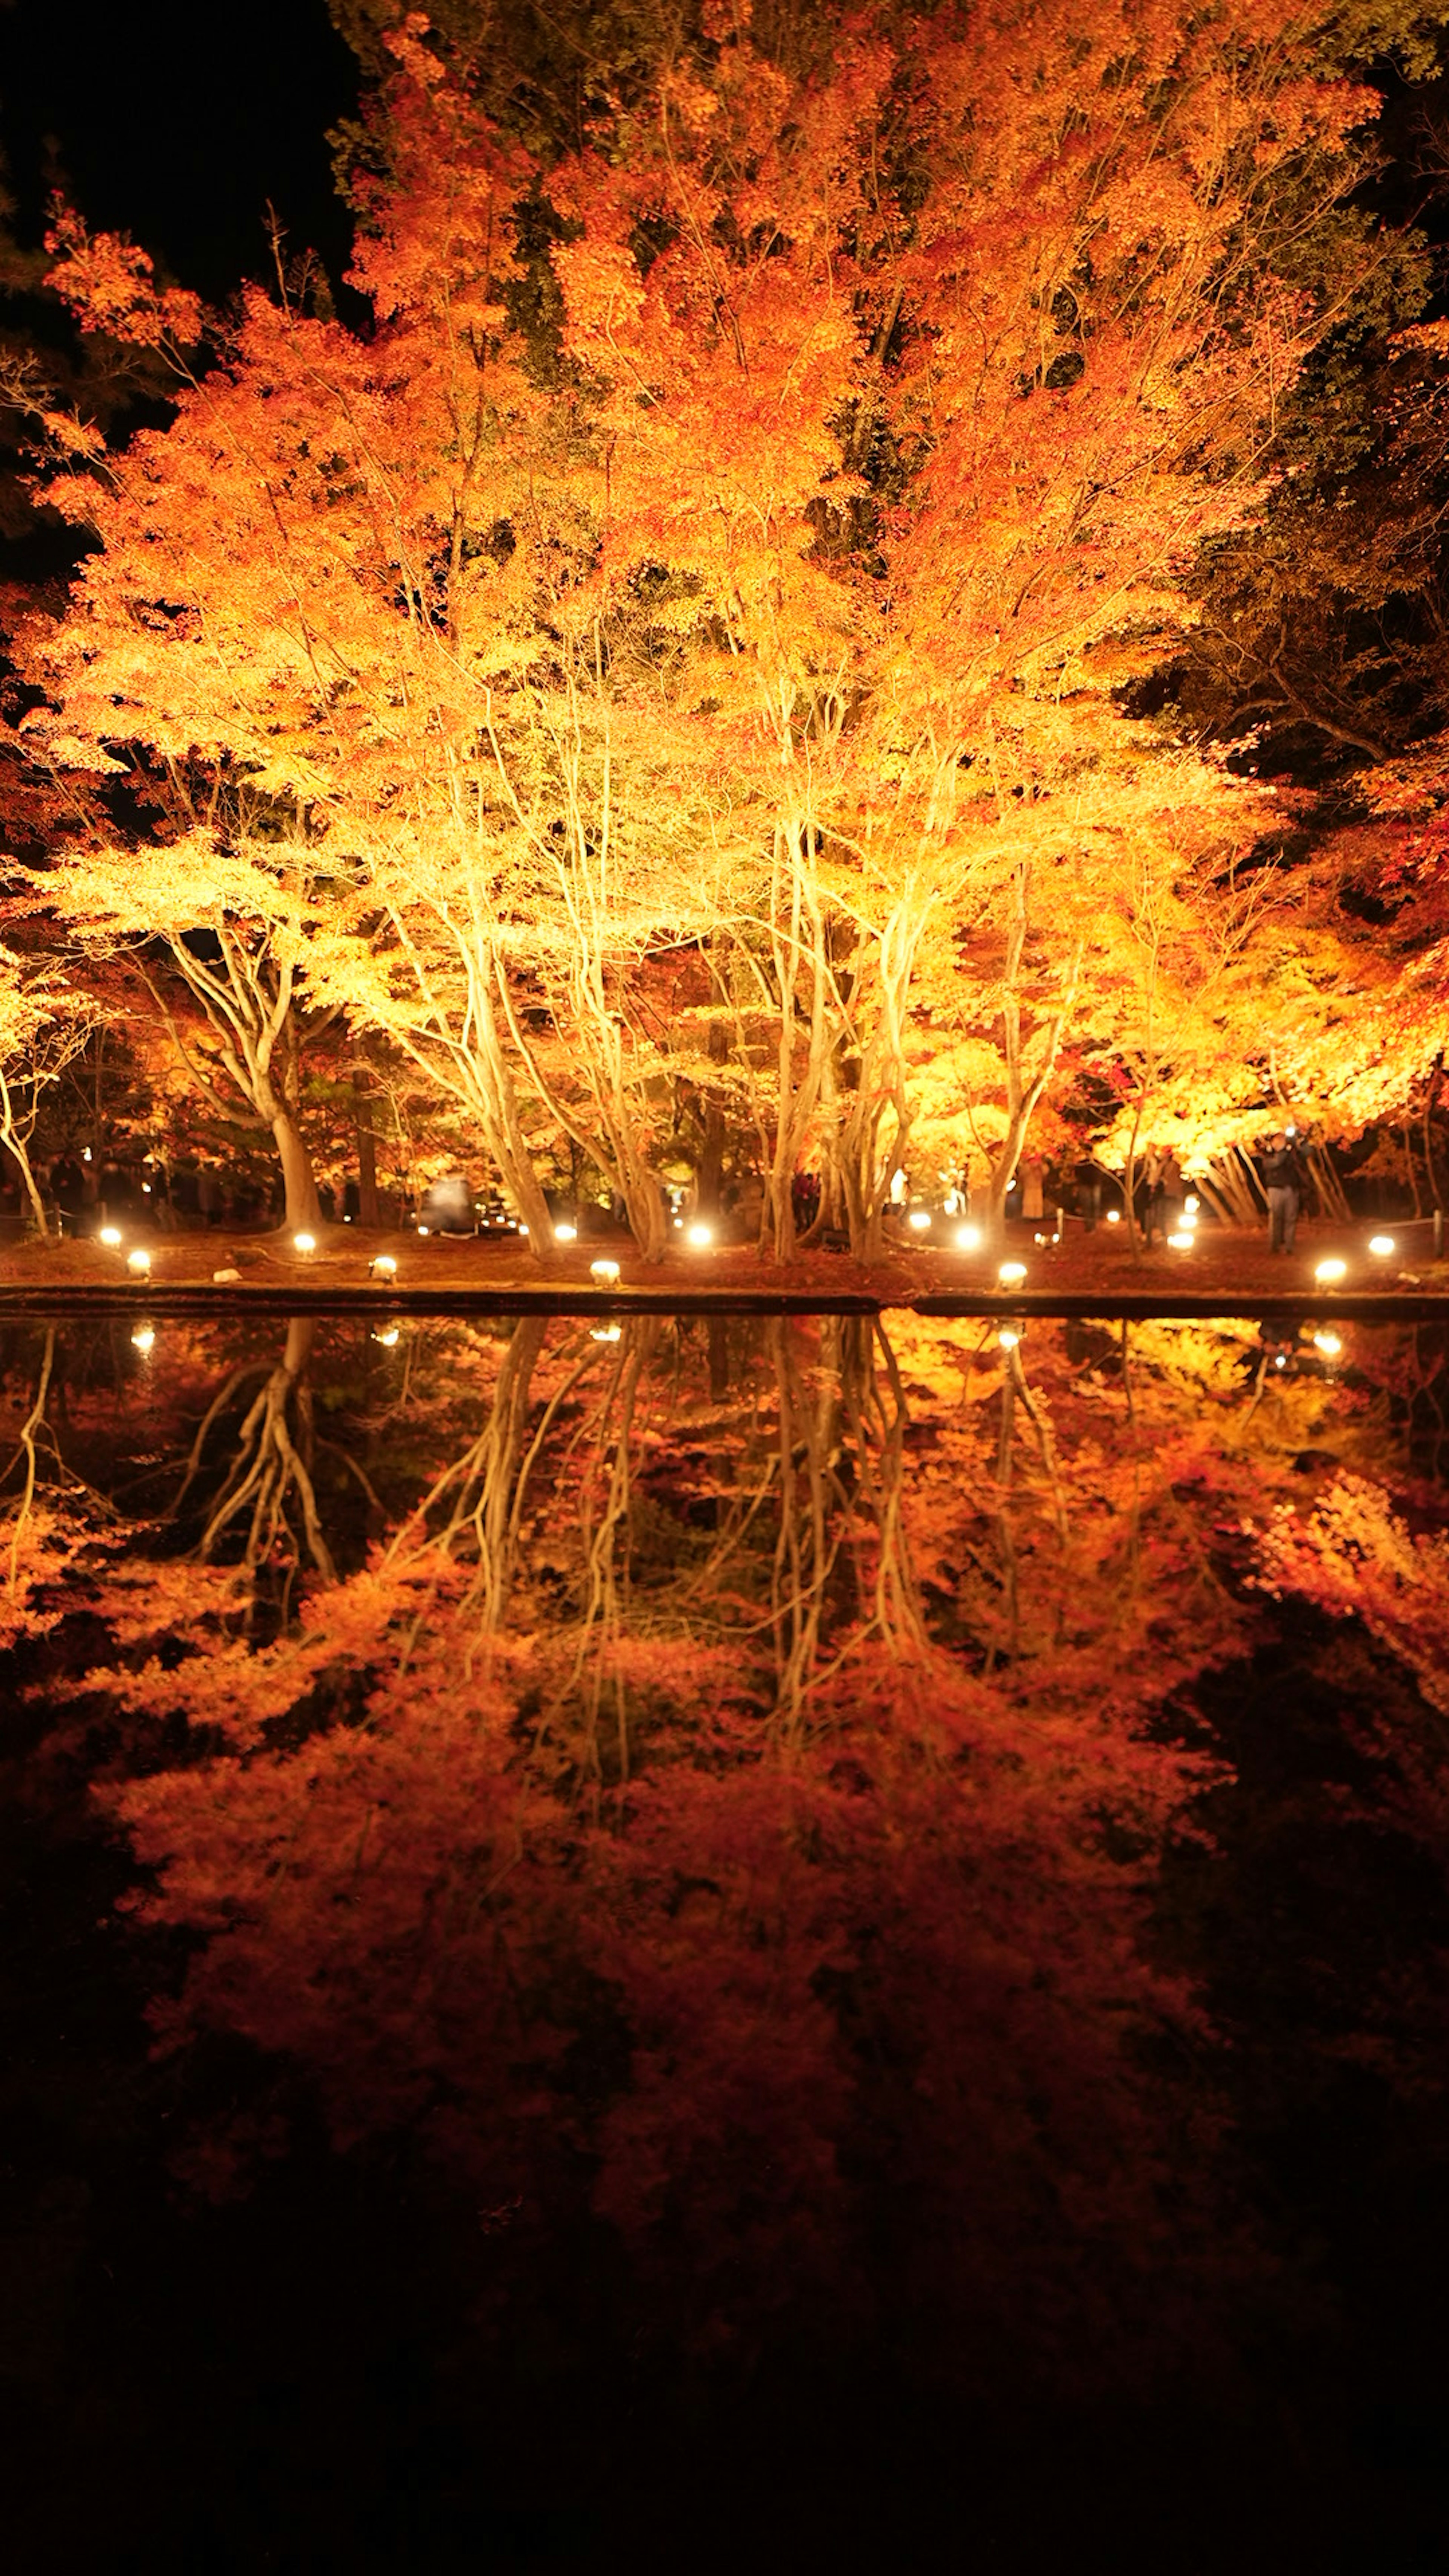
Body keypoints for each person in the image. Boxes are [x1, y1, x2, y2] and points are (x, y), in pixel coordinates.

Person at [1258, 1131, 1307, 1253]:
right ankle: (1274, 1245)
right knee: (1276, 1218)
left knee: (1291, 1218)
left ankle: (1289, 1246)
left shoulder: (1292, 1154)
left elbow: (1304, 1157)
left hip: (1290, 1188)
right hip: (1275, 1189)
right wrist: (1285, 1151)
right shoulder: (1269, 1155)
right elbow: (1275, 1163)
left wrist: (1295, 1146)